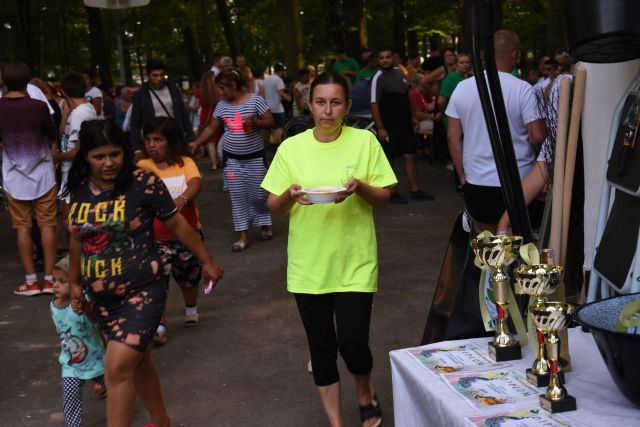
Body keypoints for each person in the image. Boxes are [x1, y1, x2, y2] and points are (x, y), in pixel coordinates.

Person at [62, 119, 223, 427]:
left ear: (124, 152)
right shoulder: (79, 190)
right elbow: (76, 239)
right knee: (138, 362)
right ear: (86, 157)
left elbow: (177, 225)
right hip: (102, 299)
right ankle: (161, 421)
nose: (108, 162)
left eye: (114, 154)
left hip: (143, 290)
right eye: (99, 156)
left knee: (117, 368)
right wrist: (74, 283)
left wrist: (207, 261)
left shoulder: (143, 182)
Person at [262, 72, 397, 427]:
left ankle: (365, 392)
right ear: (309, 105)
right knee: (321, 349)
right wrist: (289, 196)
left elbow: (384, 197)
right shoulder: (291, 148)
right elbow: (272, 206)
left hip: (354, 262)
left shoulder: (364, 142)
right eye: (320, 102)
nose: (327, 110)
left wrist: (359, 188)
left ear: (347, 107)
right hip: (308, 266)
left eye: (335, 102)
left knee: (353, 344)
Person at [446, 29, 545, 233]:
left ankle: (492, 256)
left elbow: (453, 137)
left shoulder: (462, 88)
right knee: (520, 240)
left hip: (477, 180)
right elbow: (536, 136)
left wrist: (462, 175)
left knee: (489, 240)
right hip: (520, 181)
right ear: (514, 54)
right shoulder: (522, 89)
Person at [137, 117, 205, 344]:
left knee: (189, 277)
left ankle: (191, 308)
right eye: (148, 140)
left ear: (171, 141)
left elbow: (195, 183)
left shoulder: (185, 162)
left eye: (158, 140)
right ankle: (160, 326)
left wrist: (181, 200)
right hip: (156, 239)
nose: (152, 145)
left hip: (187, 235)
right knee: (158, 282)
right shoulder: (143, 166)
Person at [190, 68, 275, 252]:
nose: (219, 93)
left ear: (233, 85)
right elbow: (211, 128)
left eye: (222, 88)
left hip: (254, 159)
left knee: (258, 195)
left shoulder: (255, 100)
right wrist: (196, 143)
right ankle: (243, 237)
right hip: (232, 162)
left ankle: (265, 224)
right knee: (237, 197)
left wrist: (257, 122)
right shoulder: (221, 106)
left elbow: (270, 120)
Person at [0, 60, 58, 296]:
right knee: (47, 225)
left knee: (22, 228)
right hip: (43, 173)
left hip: (14, 175)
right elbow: (52, 135)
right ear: (28, 80)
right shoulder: (39, 106)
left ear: (3, 80)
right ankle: (51, 279)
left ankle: (31, 282)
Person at [371, 48, 434, 202]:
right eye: (382, 58)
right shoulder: (377, 77)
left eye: (388, 57)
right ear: (378, 60)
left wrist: (413, 116)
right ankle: (391, 192)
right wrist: (380, 128)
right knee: (389, 159)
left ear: (393, 57)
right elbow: (374, 104)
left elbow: (408, 96)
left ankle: (415, 190)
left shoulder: (400, 73)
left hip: (405, 123)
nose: (385, 60)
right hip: (389, 124)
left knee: (410, 155)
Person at [50, 256, 106, 427]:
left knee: (116, 385)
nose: (55, 285)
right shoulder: (54, 305)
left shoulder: (83, 303)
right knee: (70, 396)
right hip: (71, 363)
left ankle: (123, 408)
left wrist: (86, 309)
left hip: (96, 358)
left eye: (62, 281)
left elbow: (96, 321)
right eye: (54, 280)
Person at [130, 59, 195, 155]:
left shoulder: (173, 90)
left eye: (162, 75)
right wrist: (137, 149)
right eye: (155, 75)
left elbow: (183, 115)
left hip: (174, 137)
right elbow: (135, 123)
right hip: (155, 139)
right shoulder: (140, 95)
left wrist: (191, 138)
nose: (159, 78)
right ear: (148, 76)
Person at [197, 70, 223, 170]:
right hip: (216, 116)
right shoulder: (218, 91)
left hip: (204, 117)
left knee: (210, 141)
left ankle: (214, 164)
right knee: (218, 138)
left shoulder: (200, 92)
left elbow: (196, 106)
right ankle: (218, 159)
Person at [262, 63, 290, 145]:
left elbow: (263, 94)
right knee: (280, 127)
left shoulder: (266, 79)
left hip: (268, 108)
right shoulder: (279, 80)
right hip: (278, 109)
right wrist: (287, 98)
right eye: (283, 72)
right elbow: (280, 93)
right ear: (280, 71)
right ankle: (275, 144)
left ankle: (268, 144)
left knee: (270, 128)